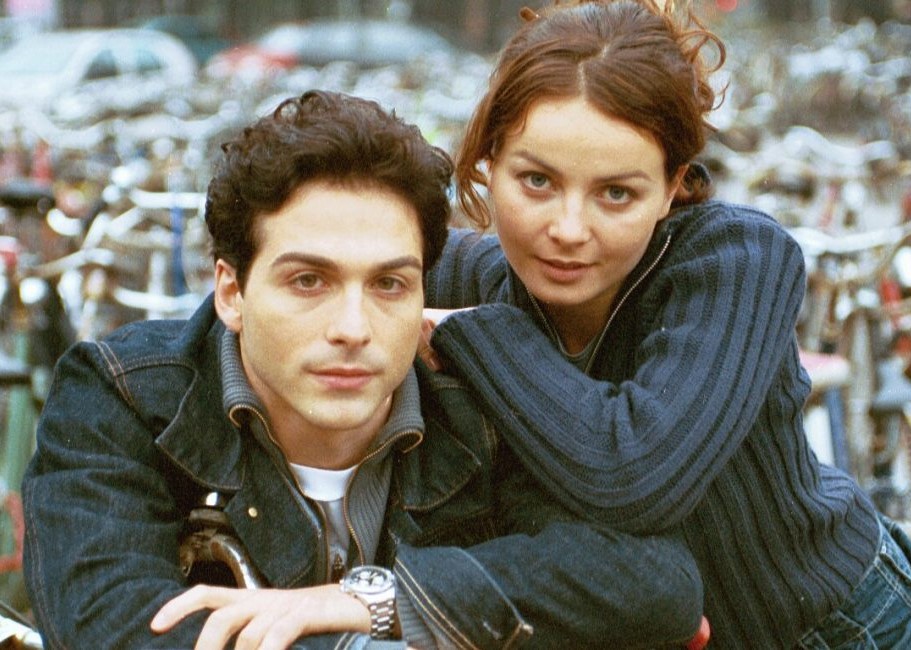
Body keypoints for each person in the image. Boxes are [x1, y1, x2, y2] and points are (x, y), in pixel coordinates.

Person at [20, 90, 706, 649]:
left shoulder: (473, 405)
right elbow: (114, 630)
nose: (353, 328)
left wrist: (375, 602)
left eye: (388, 285)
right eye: (308, 281)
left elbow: (655, 585)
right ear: (231, 292)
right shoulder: (128, 396)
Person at [421, 1, 911, 648]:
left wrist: (474, 333)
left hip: (839, 627)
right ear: (489, 162)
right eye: (536, 181)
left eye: (615, 193)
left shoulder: (736, 258)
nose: (567, 229)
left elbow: (635, 477)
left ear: (672, 185)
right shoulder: (477, 274)